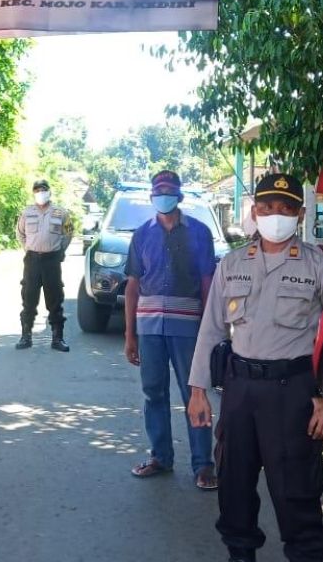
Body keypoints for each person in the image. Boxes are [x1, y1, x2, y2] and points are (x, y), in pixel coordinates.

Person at [187, 172, 323, 562]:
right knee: (233, 488)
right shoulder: (232, 264)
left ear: (299, 214)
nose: (275, 214)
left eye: (285, 208)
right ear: (255, 211)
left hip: (291, 393)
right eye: (267, 207)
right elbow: (211, 329)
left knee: (296, 494)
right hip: (239, 391)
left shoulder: (318, 266)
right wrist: (197, 390)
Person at [123, 170, 217, 488]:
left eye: (169, 190)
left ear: (179, 196)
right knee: (153, 393)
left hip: (188, 326)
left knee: (195, 392)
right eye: (158, 190)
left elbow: (207, 282)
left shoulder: (200, 233)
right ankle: (160, 457)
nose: (163, 195)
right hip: (149, 326)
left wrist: (209, 327)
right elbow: (133, 285)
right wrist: (129, 334)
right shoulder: (142, 234)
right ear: (151, 195)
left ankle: (204, 465)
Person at [15, 179, 74, 351]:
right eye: (37, 190)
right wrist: (29, 248)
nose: (41, 192)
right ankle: (26, 337)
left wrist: (59, 250)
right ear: (33, 193)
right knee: (29, 297)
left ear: (49, 192)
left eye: (43, 189)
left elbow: (68, 233)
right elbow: (20, 233)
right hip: (32, 261)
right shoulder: (27, 213)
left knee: (55, 298)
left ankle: (57, 338)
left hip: (52, 261)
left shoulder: (61, 212)